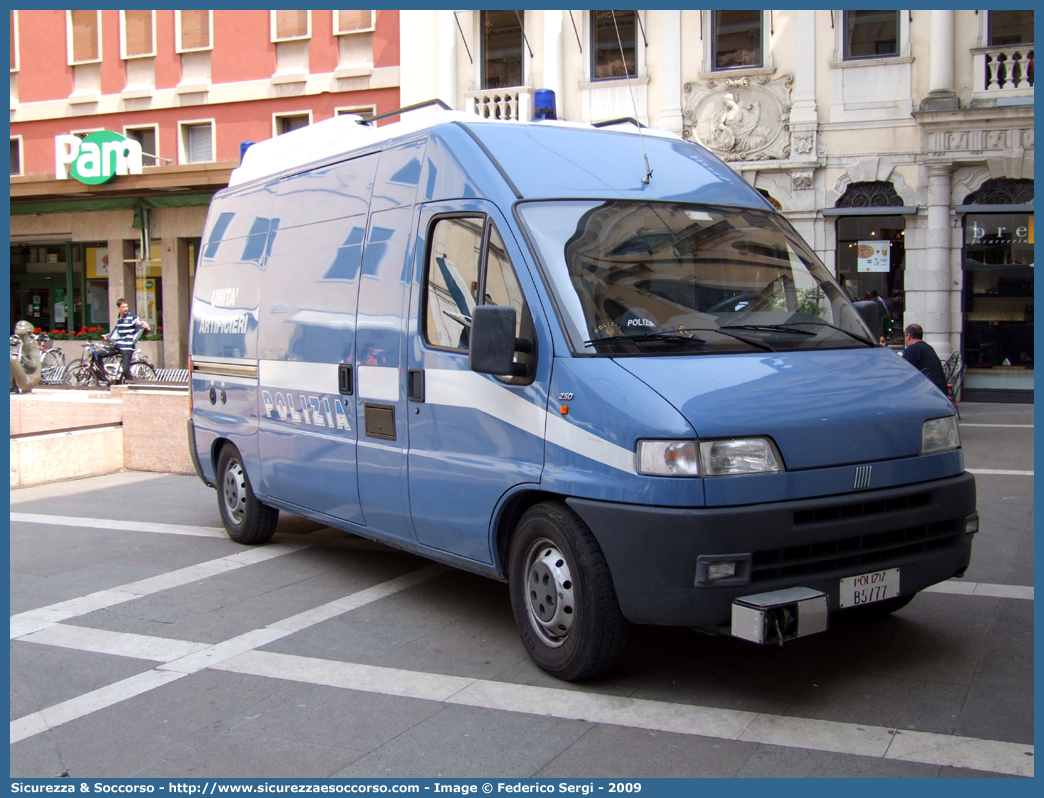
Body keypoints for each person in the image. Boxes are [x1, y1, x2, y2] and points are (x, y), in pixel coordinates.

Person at [103, 298, 150, 383]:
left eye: (126, 306)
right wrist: (108, 336)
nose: (125, 308)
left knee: (125, 370)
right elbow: (118, 331)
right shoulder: (119, 318)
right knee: (97, 355)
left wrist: (147, 328)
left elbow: (141, 330)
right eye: (123, 307)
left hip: (127, 348)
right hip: (118, 345)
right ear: (118, 308)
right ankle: (103, 380)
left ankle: (134, 387)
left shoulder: (133, 318)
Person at [900, 323, 949, 396]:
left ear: (908, 336)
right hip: (940, 390)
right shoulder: (928, 347)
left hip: (927, 392)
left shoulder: (911, 349)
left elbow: (904, 372)